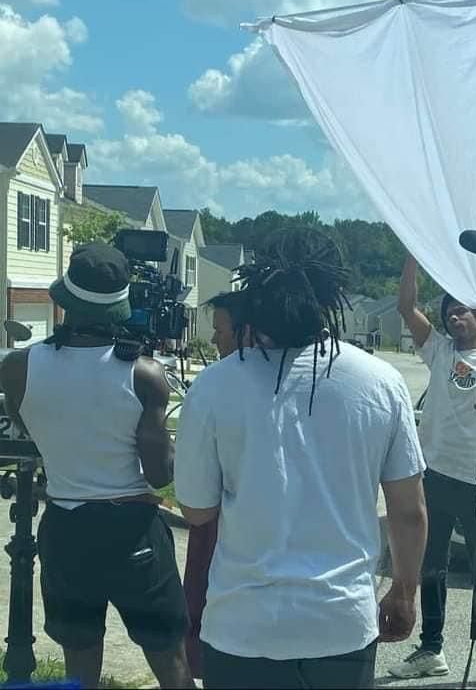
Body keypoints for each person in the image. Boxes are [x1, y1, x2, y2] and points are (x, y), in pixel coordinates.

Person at [174, 227, 428, 690]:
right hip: (340, 624)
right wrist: (405, 591)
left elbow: (196, 510)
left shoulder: (214, 385)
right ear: (333, 296)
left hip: (242, 626)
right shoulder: (382, 382)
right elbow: (408, 512)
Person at [0, 243, 194, 689]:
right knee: (170, 660)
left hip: (65, 527)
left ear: (65, 299)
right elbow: (159, 474)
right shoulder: (143, 375)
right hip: (132, 530)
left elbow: (27, 429)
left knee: (80, 663)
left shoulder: (18, 367)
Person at [390, 255, 476, 689]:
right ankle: (432, 648)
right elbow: (406, 307)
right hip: (434, 475)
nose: (454, 316)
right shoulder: (440, 350)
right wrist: (415, 253)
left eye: (463, 309)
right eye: (449, 309)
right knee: (431, 567)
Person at [183, 291, 247, 679]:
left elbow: (195, 505)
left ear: (246, 332)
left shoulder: (216, 387)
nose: (213, 339)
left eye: (220, 330)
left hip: (221, 529)